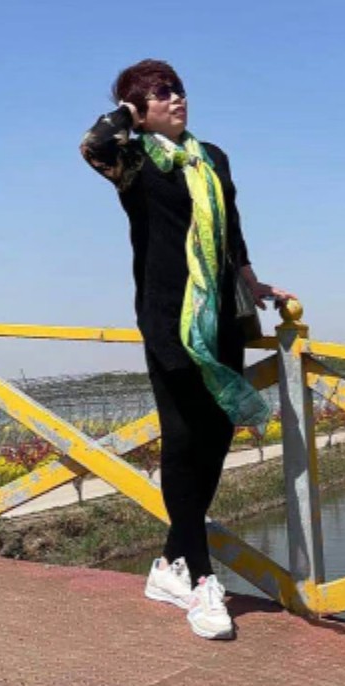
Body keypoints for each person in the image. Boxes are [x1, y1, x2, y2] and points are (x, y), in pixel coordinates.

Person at [80, 58, 294, 640]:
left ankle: (170, 562)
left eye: (178, 89)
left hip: (223, 315)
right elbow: (93, 145)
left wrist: (253, 282)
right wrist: (127, 111)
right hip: (169, 316)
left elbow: (232, 230)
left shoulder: (212, 157)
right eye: (161, 93)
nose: (176, 98)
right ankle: (200, 580)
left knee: (217, 434)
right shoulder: (132, 161)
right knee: (183, 438)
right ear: (140, 109)